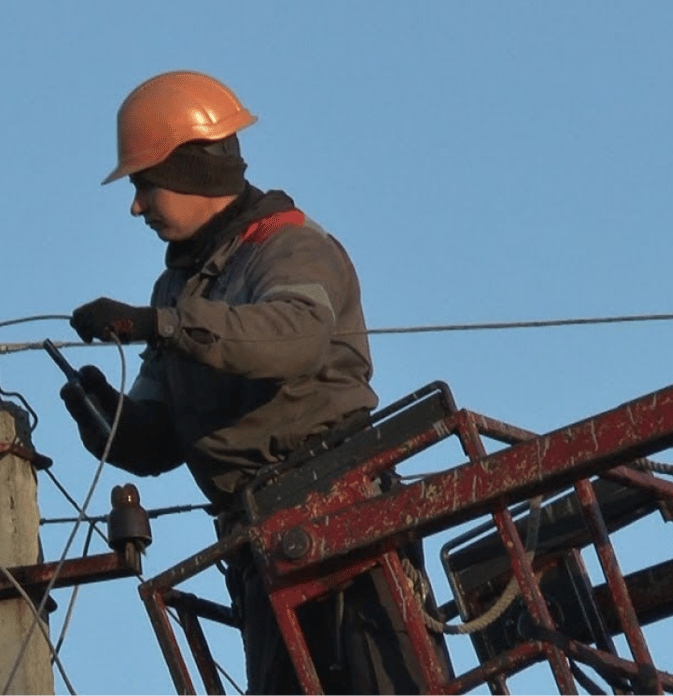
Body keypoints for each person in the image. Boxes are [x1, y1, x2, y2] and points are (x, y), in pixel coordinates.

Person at [60, 70, 434, 694]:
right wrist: (103, 415)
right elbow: (158, 440)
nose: (136, 206)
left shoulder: (289, 249)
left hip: (344, 521)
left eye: (143, 184)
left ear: (190, 171)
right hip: (259, 547)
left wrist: (160, 325)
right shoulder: (180, 288)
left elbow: (292, 336)